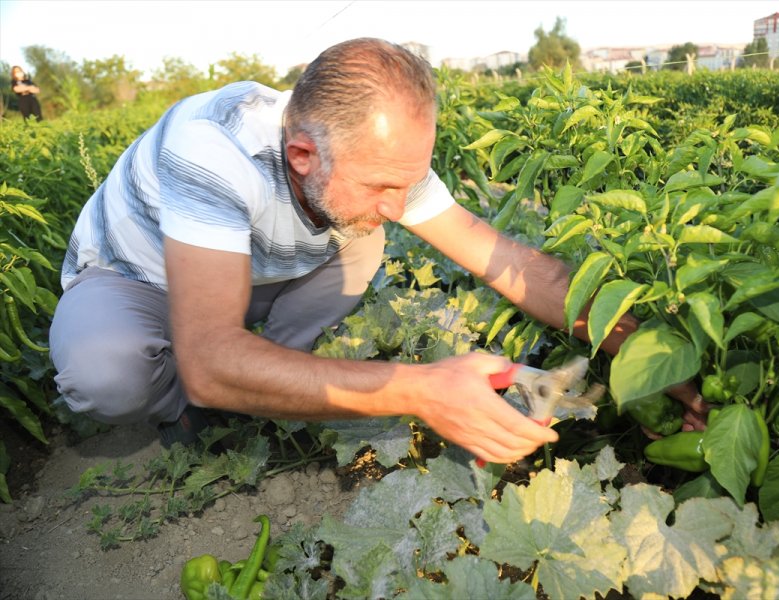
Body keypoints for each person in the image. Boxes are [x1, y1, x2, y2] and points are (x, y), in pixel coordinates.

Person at [49, 38, 705, 463]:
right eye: (384, 185)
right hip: (138, 276)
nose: (400, 204)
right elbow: (210, 361)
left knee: (362, 246)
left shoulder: (369, 152)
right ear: (303, 154)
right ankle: (190, 414)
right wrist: (419, 390)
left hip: (246, 267)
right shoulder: (212, 149)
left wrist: (650, 356)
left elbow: (517, 266)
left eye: (409, 182)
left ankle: (268, 374)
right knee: (110, 372)